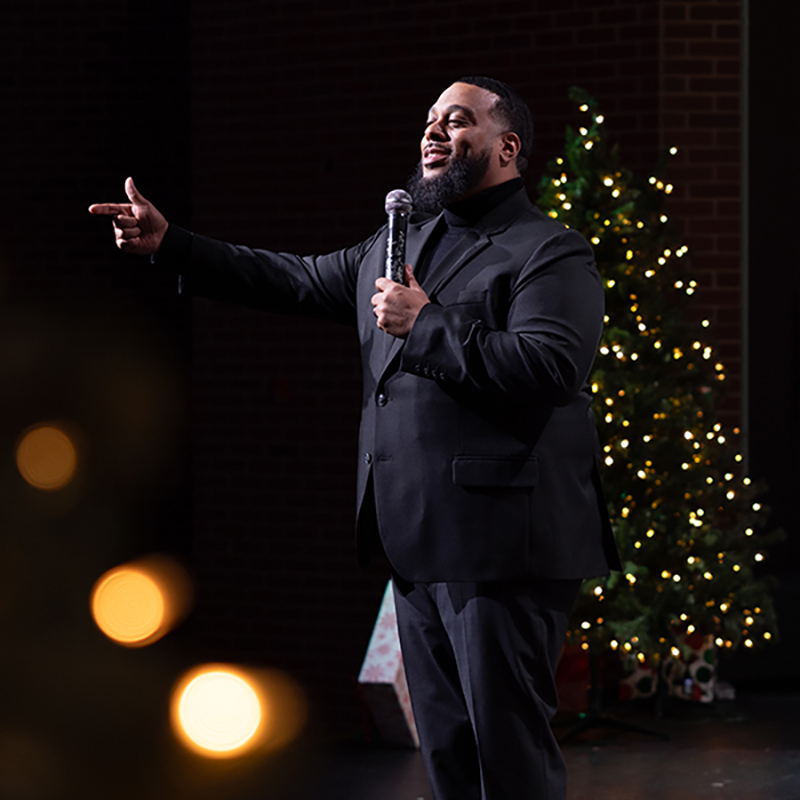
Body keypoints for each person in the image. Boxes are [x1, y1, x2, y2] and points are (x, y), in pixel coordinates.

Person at [90, 76, 620, 800]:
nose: (433, 131)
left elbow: (549, 366)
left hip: (502, 544)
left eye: (456, 120)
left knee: (508, 749)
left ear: (508, 147)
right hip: (415, 535)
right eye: (429, 118)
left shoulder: (548, 252)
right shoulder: (399, 244)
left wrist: (426, 323)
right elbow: (295, 280)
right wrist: (172, 244)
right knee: (448, 749)